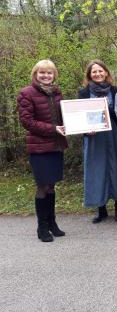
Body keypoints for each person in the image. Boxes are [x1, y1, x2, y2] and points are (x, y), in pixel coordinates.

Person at [17, 60, 68, 242]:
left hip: (56, 146)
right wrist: (53, 128)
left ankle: (52, 223)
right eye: (42, 73)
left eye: (49, 73)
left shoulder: (57, 92)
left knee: (52, 185)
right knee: (43, 186)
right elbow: (27, 122)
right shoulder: (26, 93)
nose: (46, 76)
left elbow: (65, 116)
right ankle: (42, 227)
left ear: (54, 75)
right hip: (39, 148)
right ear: (35, 74)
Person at [78, 60, 117, 224]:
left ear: (106, 73)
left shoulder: (115, 91)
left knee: (116, 168)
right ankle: (100, 208)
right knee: (96, 171)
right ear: (89, 75)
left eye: (100, 71)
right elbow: (79, 116)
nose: (97, 74)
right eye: (94, 72)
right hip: (94, 137)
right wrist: (85, 129)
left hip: (113, 135)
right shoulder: (83, 93)